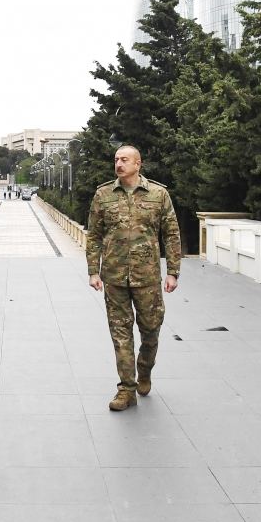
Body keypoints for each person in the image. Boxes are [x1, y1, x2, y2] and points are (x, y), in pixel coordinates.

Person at [86, 144, 181, 411]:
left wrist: (173, 271)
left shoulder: (158, 194)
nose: (119, 163)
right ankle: (126, 389)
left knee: (150, 330)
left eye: (124, 159)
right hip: (114, 277)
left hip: (147, 277)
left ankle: (145, 369)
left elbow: (171, 234)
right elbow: (93, 235)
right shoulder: (103, 195)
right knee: (120, 333)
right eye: (116, 159)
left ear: (138, 164)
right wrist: (93, 270)